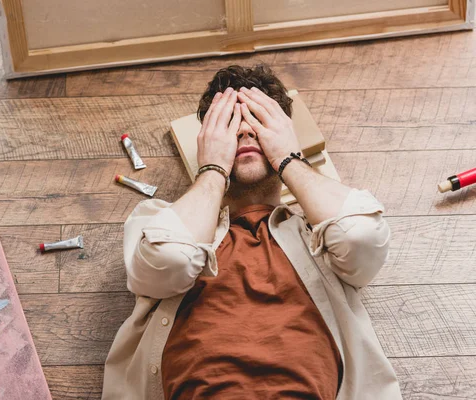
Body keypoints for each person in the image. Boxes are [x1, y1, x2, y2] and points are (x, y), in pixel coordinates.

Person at [101, 65, 402, 399]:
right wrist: (214, 169)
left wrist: (288, 159)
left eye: (259, 123)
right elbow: (168, 260)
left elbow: (362, 238)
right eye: (229, 126)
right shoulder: (158, 219)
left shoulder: (321, 236)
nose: (244, 133)